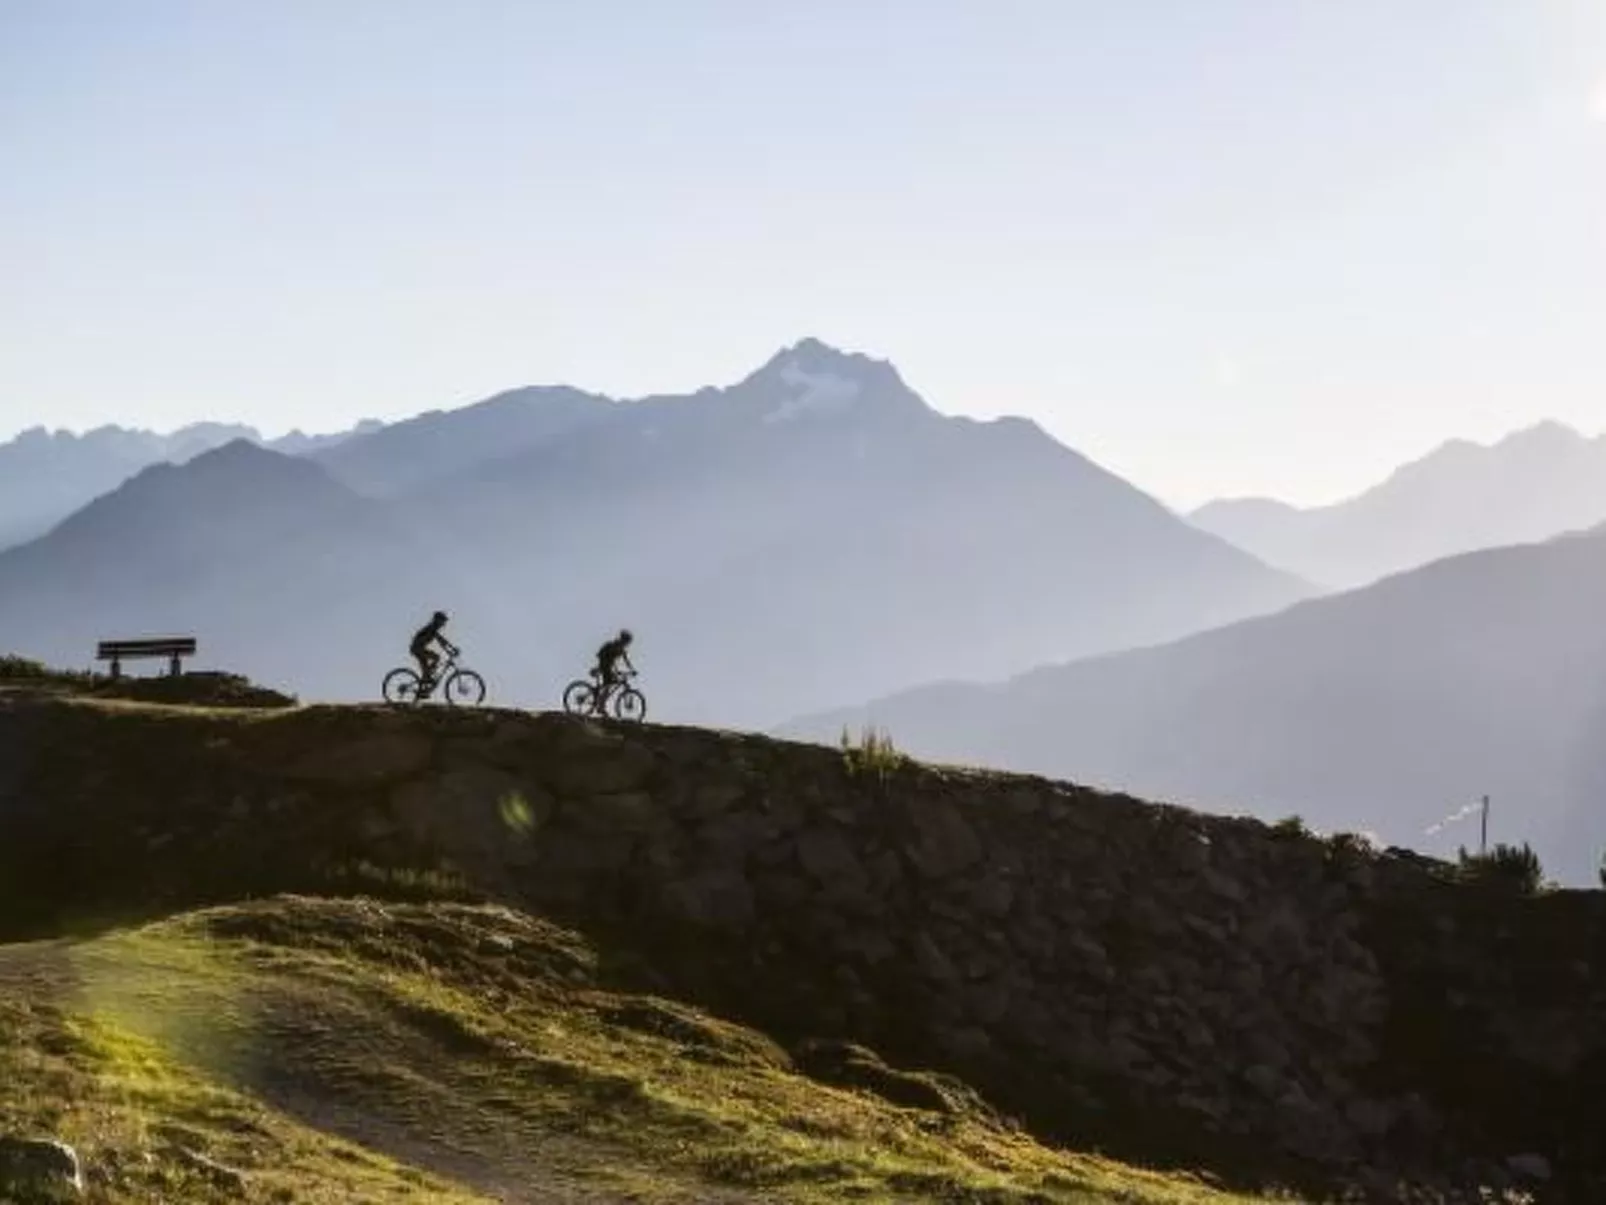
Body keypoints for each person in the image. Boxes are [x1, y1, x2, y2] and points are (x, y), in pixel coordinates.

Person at [591, 628, 635, 711]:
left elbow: (626, 660)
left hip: (607, 665)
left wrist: (632, 669)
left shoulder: (621, 648)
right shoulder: (614, 646)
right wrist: (616, 670)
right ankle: (601, 706)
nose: (628, 644)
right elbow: (609, 659)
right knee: (608, 685)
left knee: (609, 684)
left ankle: (600, 703)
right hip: (605, 664)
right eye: (628, 642)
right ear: (624, 640)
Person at [410, 610, 453, 690]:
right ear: (437, 620)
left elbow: (441, 640)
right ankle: (427, 677)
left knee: (426, 671)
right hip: (417, 648)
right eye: (443, 621)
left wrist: (450, 648)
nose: (443, 624)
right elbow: (441, 641)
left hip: (418, 648)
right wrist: (451, 649)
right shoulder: (432, 628)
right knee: (436, 658)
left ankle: (422, 689)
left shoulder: (433, 628)